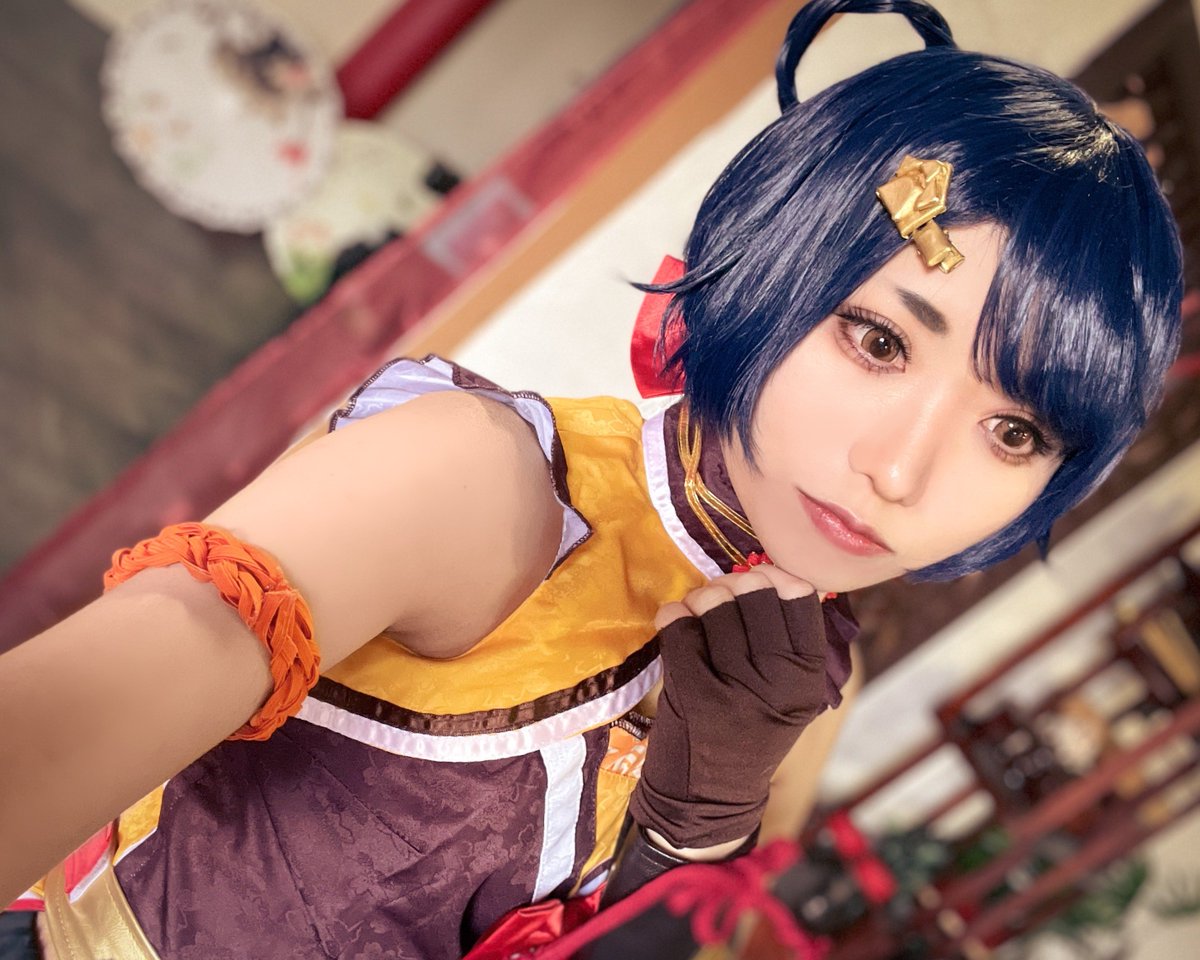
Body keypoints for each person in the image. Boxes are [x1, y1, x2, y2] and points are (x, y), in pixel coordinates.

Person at [0, 0, 1182, 957]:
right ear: (772, 262)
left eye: (1013, 431)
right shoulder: (475, 481)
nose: (902, 469)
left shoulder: (813, 681)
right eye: (877, 340)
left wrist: (691, 834)